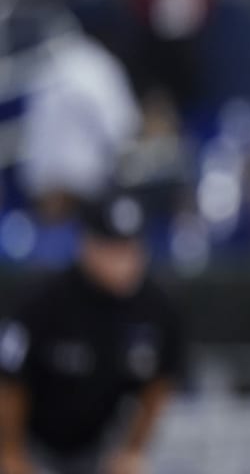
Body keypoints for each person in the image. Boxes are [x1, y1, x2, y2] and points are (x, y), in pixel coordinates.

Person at [0, 195, 186, 474]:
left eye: (130, 249)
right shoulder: (44, 300)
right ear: (87, 246)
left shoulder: (157, 308)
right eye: (112, 250)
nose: (123, 262)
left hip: (96, 445)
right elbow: (9, 382)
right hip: (31, 439)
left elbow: (161, 381)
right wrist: (11, 454)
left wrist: (132, 449)